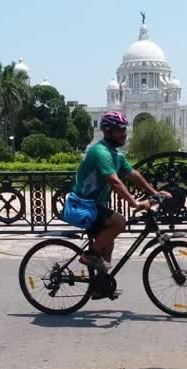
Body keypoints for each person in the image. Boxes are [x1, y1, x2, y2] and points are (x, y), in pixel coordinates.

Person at [65, 111, 170, 274]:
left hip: (95, 204)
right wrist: (134, 203)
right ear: (107, 131)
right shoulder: (101, 152)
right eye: (119, 130)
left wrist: (155, 192)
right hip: (84, 204)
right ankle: (90, 254)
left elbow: (133, 174)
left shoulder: (116, 154)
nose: (124, 134)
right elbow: (114, 181)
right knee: (119, 222)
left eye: (124, 130)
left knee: (108, 242)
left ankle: (101, 284)